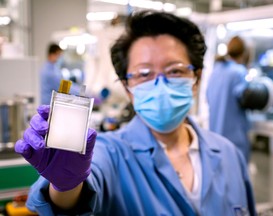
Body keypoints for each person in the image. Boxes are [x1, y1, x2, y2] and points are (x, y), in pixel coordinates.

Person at [15, 11, 256, 215]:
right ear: (128, 88)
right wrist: (65, 186)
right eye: (144, 74)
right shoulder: (109, 153)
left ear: (196, 79)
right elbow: (84, 187)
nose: (160, 84)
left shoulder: (228, 154)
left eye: (174, 71)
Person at [206, 36, 252, 163]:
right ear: (244, 53)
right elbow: (247, 97)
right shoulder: (238, 72)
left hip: (214, 139)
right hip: (234, 142)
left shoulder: (216, 70)